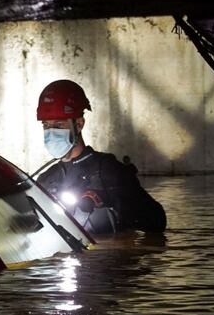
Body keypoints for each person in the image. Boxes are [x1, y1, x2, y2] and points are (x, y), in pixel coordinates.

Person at [35, 80, 167, 235]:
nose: (51, 133)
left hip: (110, 257)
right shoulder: (46, 179)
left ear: (79, 124)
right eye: (46, 125)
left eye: (58, 125)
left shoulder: (108, 171)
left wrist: (113, 202)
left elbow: (158, 222)